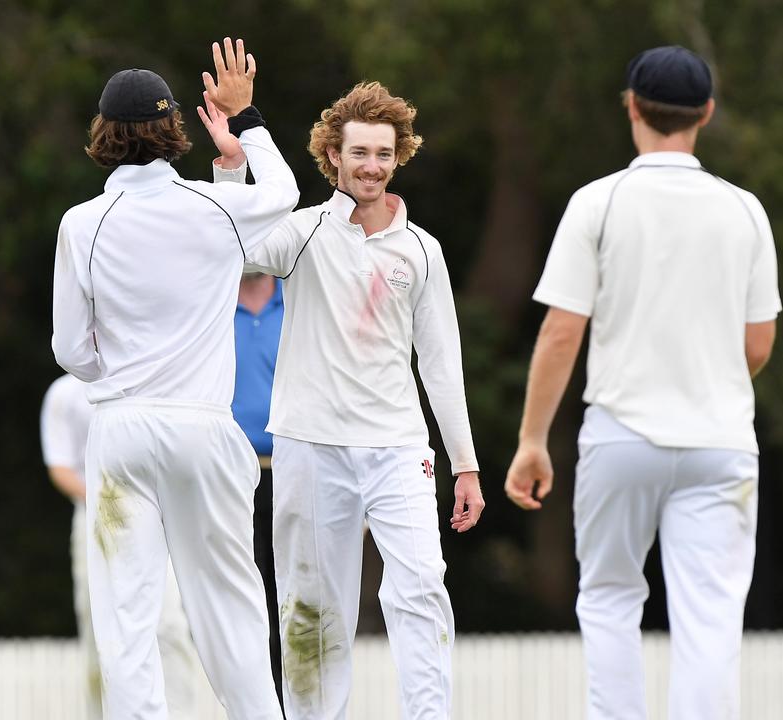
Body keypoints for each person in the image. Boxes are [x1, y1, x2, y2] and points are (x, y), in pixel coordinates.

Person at [504, 45, 781, 720]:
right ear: (706, 114)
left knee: (609, 597)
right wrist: (707, 377)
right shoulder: (744, 209)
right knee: (710, 619)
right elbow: (757, 344)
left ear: (631, 106)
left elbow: (562, 333)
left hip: (622, 433)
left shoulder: (598, 202)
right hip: (721, 441)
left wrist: (533, 439)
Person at [212, 80, 484, 720]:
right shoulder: (302, 232)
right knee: (311, 603)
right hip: (308, 445)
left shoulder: (422, 250)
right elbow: (238, 243)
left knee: (420, 588)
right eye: (359, 152)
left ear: (400, 157)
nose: (371, 166)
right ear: (332, 154)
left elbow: (442, 364)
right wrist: (231, 164)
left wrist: (465, 464)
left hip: (398, 446)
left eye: (384, 154)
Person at [51, 38, 298, 720]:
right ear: (172, 131)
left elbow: (71, 351)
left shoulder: (82, 224)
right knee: (229, 607)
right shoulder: (211, 207)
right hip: (206, 430)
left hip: (123, 428)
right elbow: (282, 194)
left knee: (127, 619)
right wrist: (244, 125)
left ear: (103, 135)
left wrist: (126, 372)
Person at [40, 373, 214, 719]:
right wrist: (111, 501)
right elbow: (59, 467)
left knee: (170, 627)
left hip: (157, 519)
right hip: (95, 521)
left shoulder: (146, 378)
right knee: (100, 632)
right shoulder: (64, 393)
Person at [233, 271, 286, 706]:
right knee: (244, 602)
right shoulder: (209, 302)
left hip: (293, 470)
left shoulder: (302, 300)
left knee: (296, 599)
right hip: (230, 476)